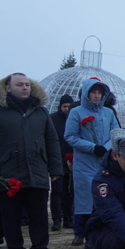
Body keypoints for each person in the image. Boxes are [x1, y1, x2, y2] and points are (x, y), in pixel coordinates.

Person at [0, 73, 63, 249]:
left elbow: (51, 140)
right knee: (10, 217)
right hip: (7, 175)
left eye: (27, 85)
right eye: (19, 85)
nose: (25, 88)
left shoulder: (40, 112)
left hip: (37, 173)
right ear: (7, 88)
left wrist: (56, 168)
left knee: (39, 216)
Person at [65, 78, 120, 248]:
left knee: (102, 196)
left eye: (99, 93)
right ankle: (79, 231)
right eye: (93, 92)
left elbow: (116, 132)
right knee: (84, 198)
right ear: (86, 93)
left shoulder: (108, 112)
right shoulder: (76, 112)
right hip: (84, 162)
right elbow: (70, 136)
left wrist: (106, 147)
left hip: (104, 161)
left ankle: (95, 234)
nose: (96, 96)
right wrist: (92, 147)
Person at [48, 94, 75, 231]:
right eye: (64, 106)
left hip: (71, 160)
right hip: (57, 161)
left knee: (69, 191)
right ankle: (56, 219)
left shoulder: (75, 118)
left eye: (69, 106)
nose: (67, 109)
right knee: (57, 191)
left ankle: (68, 218)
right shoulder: (53, 119)